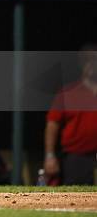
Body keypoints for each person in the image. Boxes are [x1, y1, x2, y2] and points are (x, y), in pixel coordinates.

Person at [44, 49, 97, 185]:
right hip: (77, 158)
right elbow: (52, 124)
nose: (92, 65)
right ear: (82, 65)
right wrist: (50, 156)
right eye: (88, 61)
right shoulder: (68, 93)